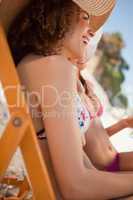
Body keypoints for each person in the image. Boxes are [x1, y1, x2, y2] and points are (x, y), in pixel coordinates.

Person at [7, 0, 133, 199]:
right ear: (58, 15)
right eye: (84, 17)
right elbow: (77, 186)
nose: (90, 30)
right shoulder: (53, 66)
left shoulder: (37, 64)